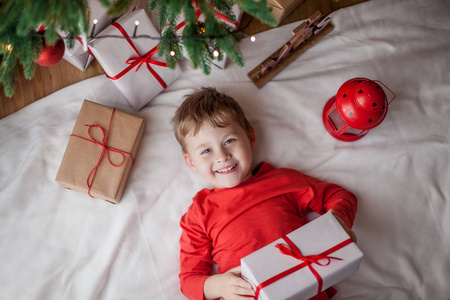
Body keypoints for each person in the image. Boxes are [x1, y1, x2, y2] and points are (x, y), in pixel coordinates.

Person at [173, 87, 357, 300]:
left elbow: (341, 197)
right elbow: (189, 280)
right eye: (206, 151)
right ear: (191, 162)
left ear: (250, 137)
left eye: (229, 141)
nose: (222, 156)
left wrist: (338, 223)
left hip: (305, 286)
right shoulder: (199, 214)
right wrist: (220, 286)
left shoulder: (282, 181)